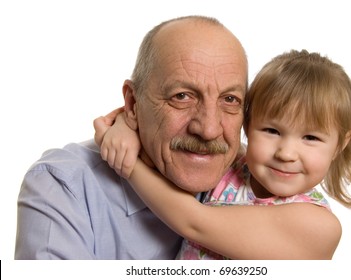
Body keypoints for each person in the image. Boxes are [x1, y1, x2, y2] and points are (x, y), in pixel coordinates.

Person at [94, 49, 351, 259]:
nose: (287, 153)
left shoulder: (318, 226)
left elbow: (194, 223)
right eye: (272, 131)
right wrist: (125, 127)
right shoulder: (233, 168)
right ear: (247, 125)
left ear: (339, 145)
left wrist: (126, 164)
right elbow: (166, 137)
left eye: (311, 137)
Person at [14, 15, 248, 259]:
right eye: (182, 96)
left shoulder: (260, 181)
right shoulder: (65, 187)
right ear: (133, 103)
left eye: (230, 100)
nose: (209, 130)